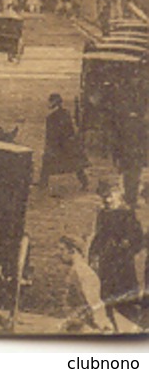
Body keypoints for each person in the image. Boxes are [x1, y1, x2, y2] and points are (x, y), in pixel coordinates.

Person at [88, 181, 144, 328]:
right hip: (107, 260)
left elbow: (138, 238)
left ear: (119, 195)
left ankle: (129, 322)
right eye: (104, 197)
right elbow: (98, 236)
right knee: (107, 292)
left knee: (125, 293)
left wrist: (127, 244)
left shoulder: (127, 214)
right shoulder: (103, 214)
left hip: (123, 261)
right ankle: (111, 321)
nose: (107, 201)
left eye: (110, 196)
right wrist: (94, 254)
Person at [42, 93, 89, 194]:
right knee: (76, 165)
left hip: (59, 144)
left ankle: (43, 183)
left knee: (47, 161)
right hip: (68, 144)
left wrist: (49, 146)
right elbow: (70, 130)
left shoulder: (51, 118)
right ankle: (84, 182)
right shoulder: (66, 113)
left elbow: (51, 135)